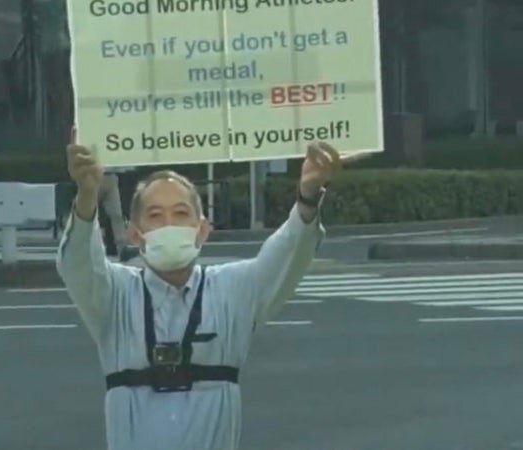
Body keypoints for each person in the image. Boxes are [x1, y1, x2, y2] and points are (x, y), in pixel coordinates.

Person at [57, 139, 342, 450]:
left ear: (202, 229)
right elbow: (79, 263)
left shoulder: (231, 291)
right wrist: (86, 197)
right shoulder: (115, 296)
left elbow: (289, 254)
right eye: (155, 215)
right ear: (134, 234)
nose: (169, 224)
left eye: (181, 213)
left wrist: (308, 198)